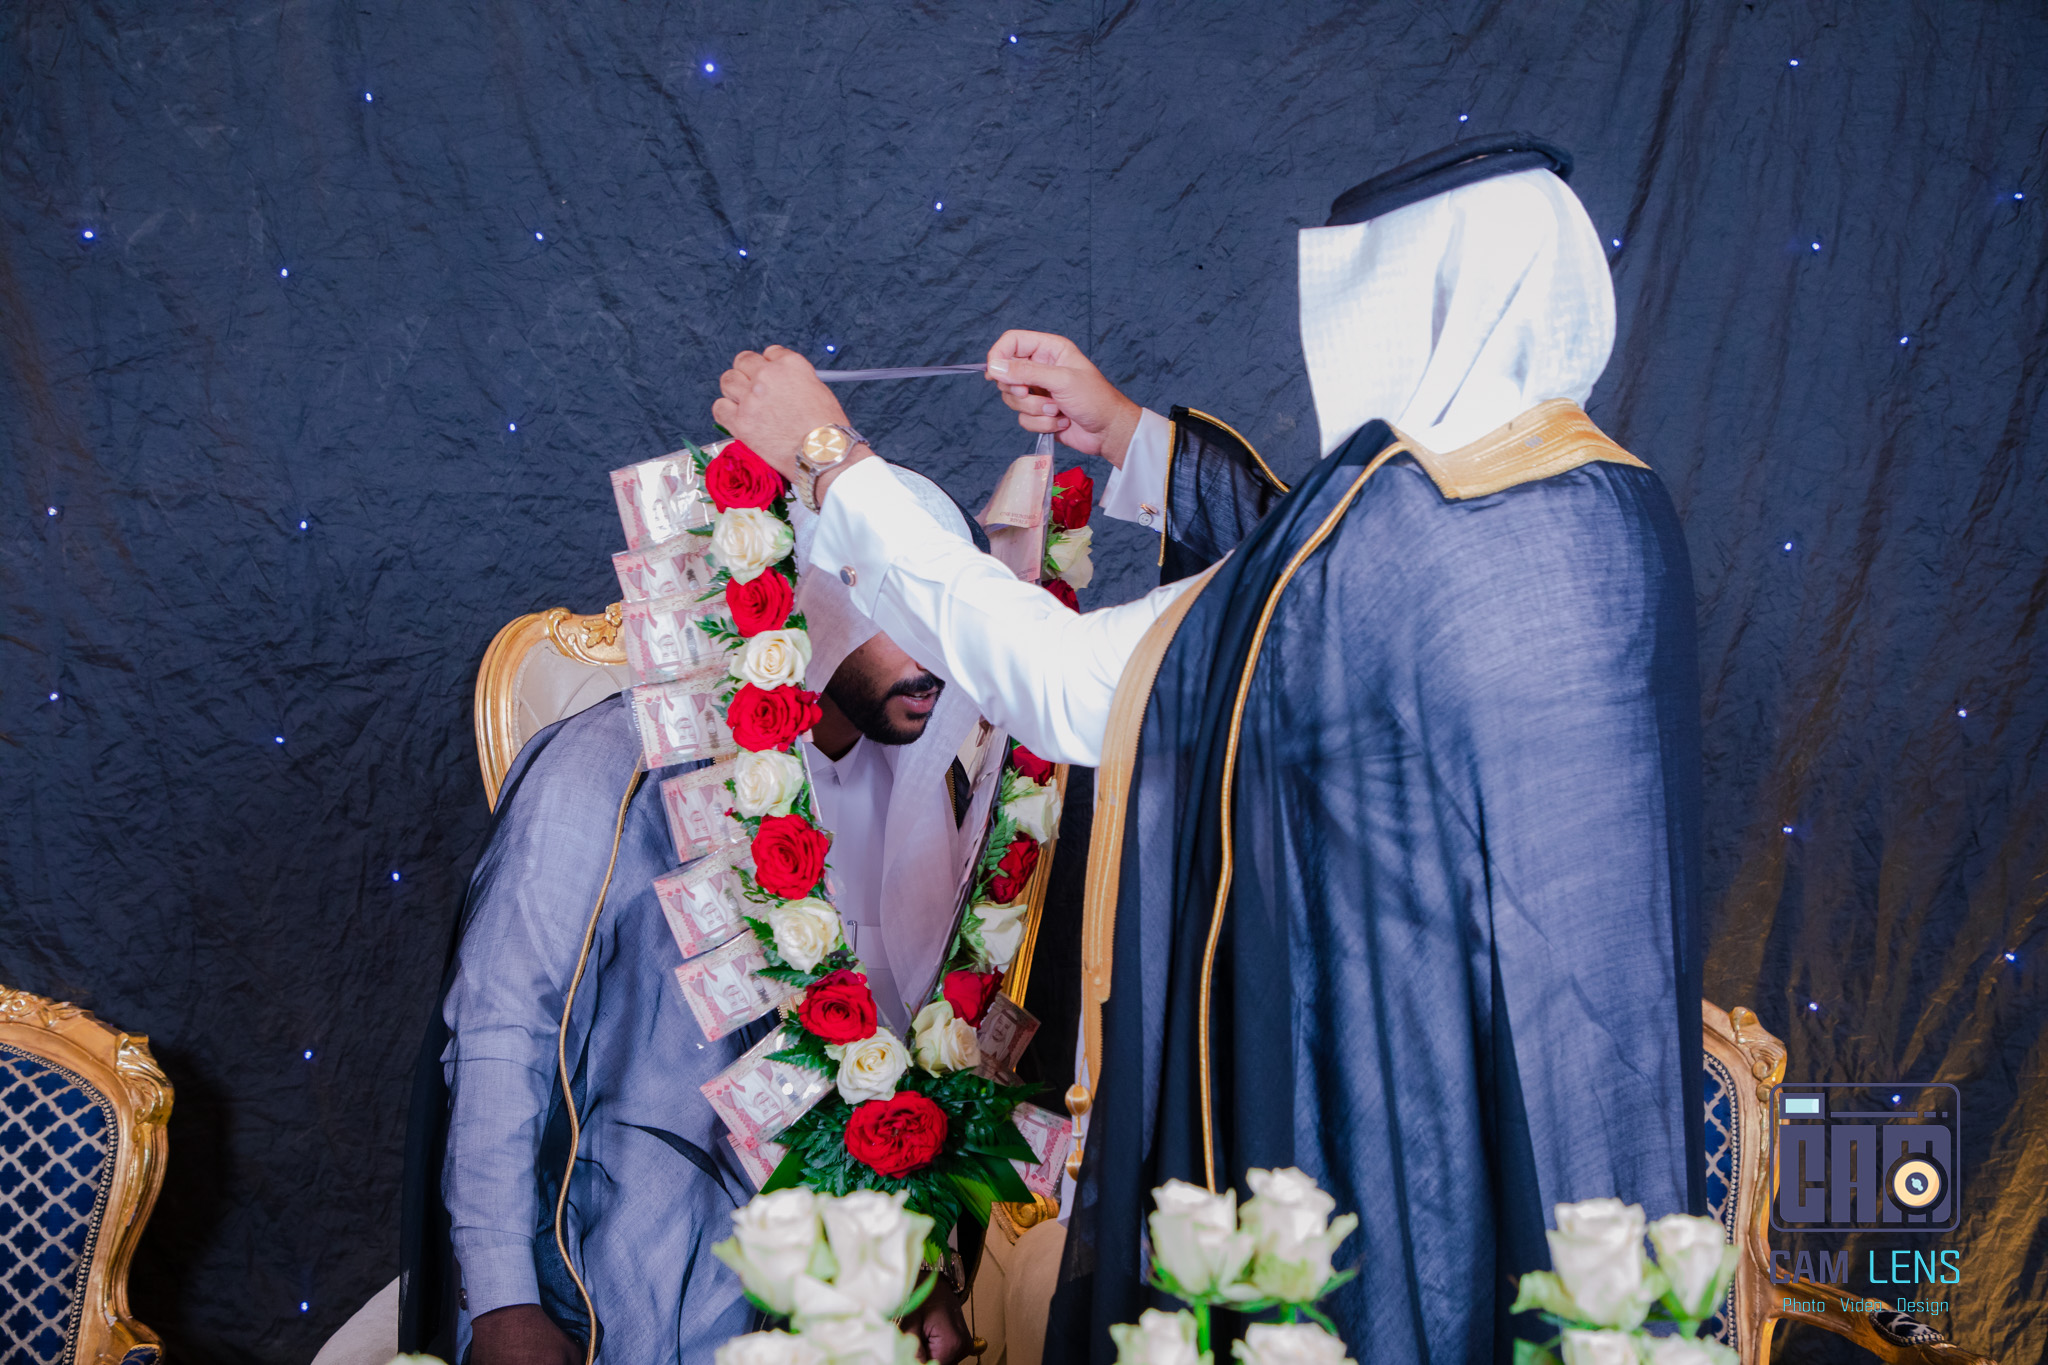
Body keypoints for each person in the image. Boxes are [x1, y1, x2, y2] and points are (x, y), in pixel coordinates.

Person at [711, 134, 1705, 1365]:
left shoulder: (1389, 545)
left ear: (1428, 299)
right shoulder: (1599, 501)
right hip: (1577, 1100)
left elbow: (1075, 686)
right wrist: (1129, 434)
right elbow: (1300, 607)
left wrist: (834, 465)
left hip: (1398, 1108)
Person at [399, 473, 983, 1365]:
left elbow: (871, 1078)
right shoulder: (605, 771)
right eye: (910, 610)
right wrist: (504, 1304)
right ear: (817, 601)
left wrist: (907, 1265)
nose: (940, 652)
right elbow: (501, 1032)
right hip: (607, 1295)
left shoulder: (916, 796)